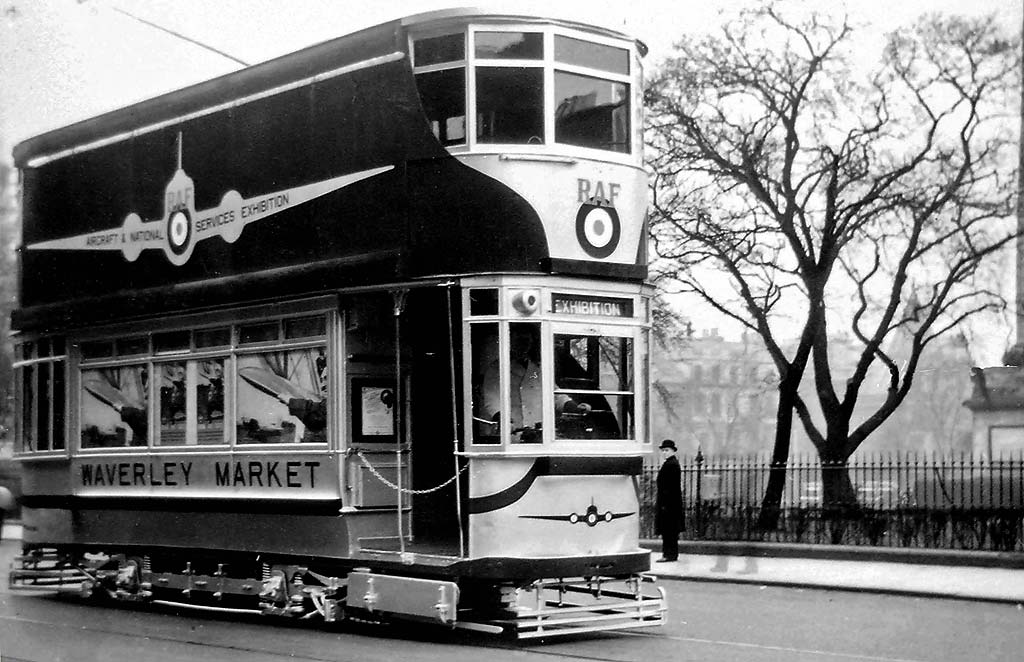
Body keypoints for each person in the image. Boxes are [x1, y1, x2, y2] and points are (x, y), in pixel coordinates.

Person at [480, 325, 588, 442]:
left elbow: (554, 394)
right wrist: (503, 419)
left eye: (527, 341)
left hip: (539, 435)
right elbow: (492, 398)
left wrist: (573, 406)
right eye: (520, 340)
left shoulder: (536, 369)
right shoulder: (497, 368)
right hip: (512, 435)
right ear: (510, 341)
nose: (523, 345)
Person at [655, 439, 684, 562]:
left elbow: (669, 486)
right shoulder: (671, 463)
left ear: (673, 451)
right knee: (670, 531)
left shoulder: (671, 465)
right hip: (670, 503)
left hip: (668, 503)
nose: (664, 453)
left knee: (669, 531)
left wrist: (664, 504)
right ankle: (670, 554)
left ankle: (669, 555)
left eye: (667, 450)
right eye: (663, 451)